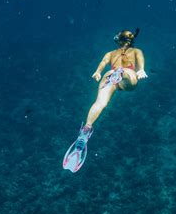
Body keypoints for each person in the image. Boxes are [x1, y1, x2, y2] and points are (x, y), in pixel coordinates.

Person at [63, 28, 148, 172]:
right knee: (132, 83)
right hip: (127, 72)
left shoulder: (110, 53)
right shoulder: (136, 51)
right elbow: (140, 60)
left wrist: (98, 72)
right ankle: (122, 74)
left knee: (100, 103)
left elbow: (103, 62)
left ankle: (86, 129)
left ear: (119, 40)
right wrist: (140, 70)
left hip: (110, 74)